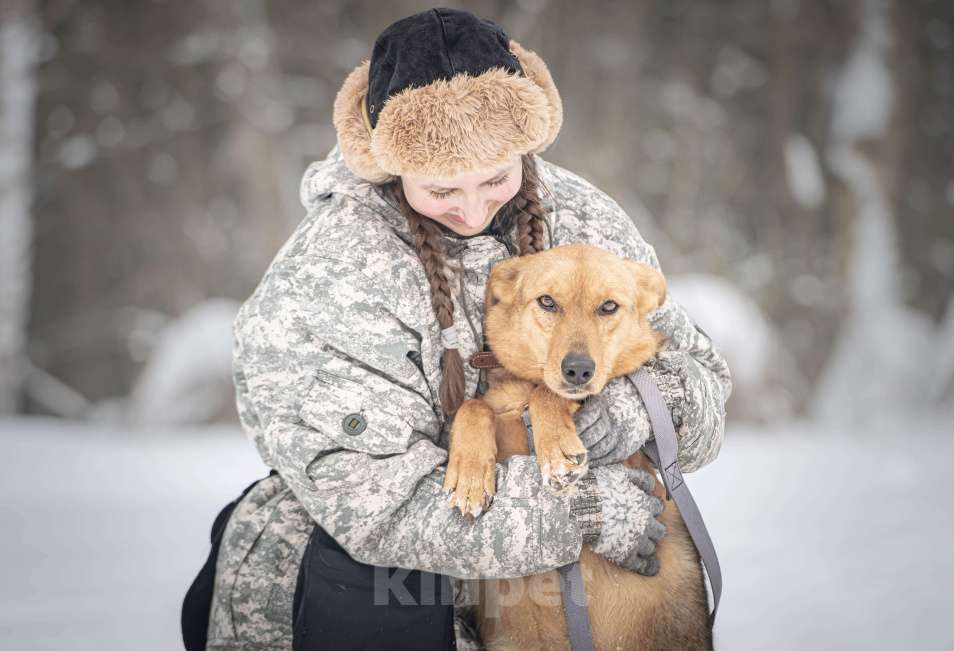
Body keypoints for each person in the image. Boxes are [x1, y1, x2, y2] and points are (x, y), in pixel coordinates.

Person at [182, 8, 732, 651]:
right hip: (362, 583)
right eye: (442, 188)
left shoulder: (582, 214)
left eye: (498, 178)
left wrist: (639, 406)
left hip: (544, 583)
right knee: (381, 579)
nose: (473, 209)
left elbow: (703, 379)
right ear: (389, 165)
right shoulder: (328, 273)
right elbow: (372, 504)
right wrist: (578, 509)